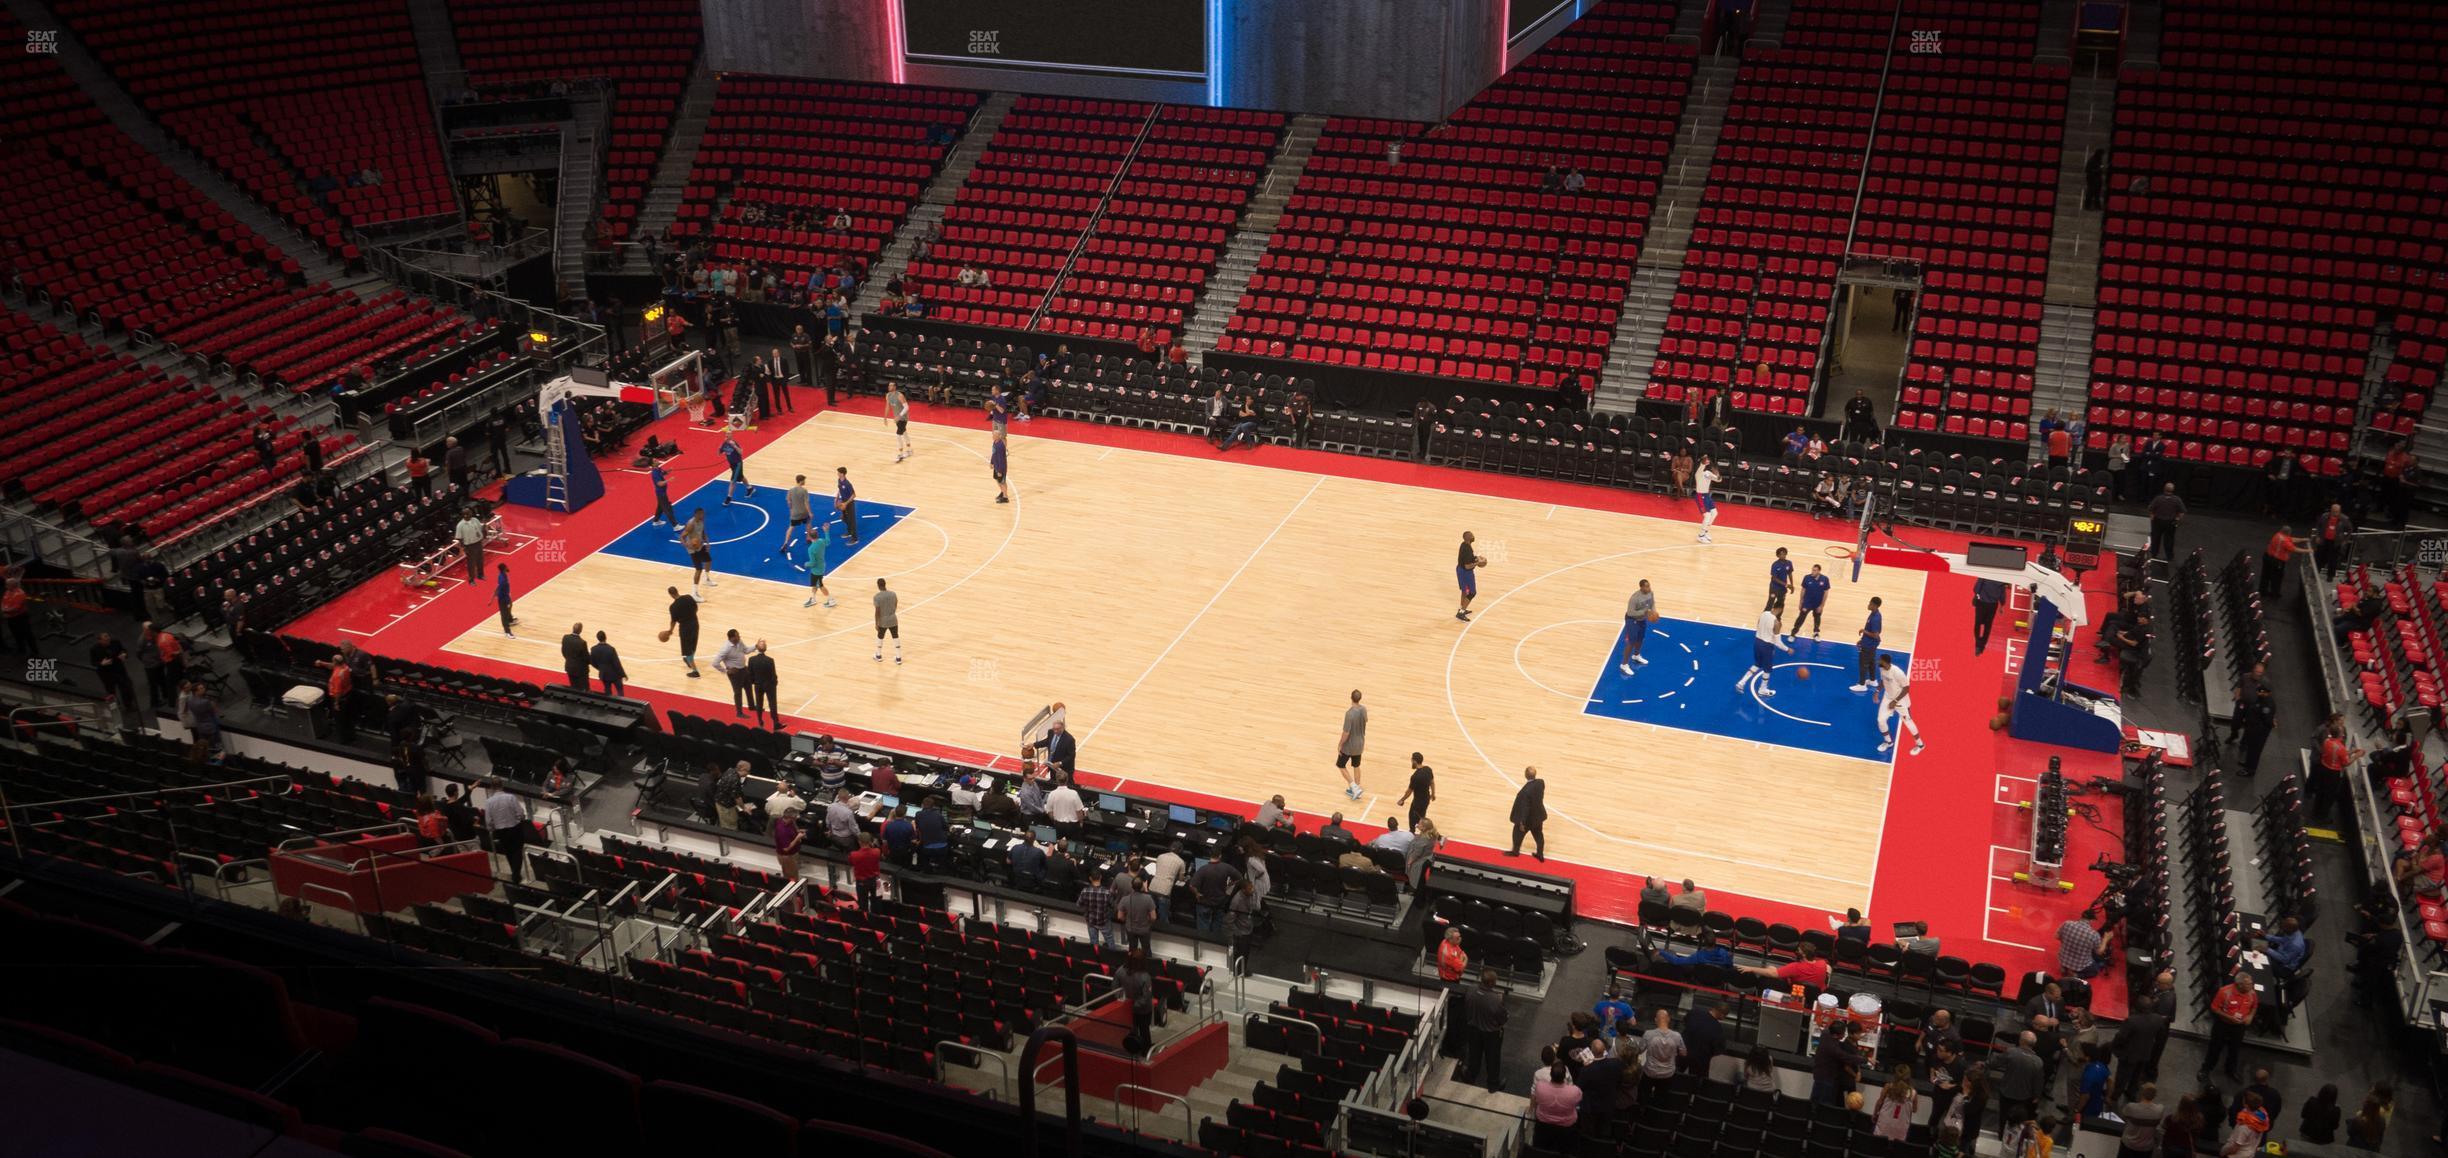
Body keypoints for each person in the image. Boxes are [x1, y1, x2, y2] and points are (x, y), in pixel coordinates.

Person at [2197, 969, 2255, 1080]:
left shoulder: (2252, 993)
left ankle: (2230, 1070)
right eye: (2248, 984)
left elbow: (2254, 1006)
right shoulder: (2224, 992)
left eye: (2251, 983)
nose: (2251, 986)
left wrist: (2250, 1016)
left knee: (2235, 1049)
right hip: (2223, 1024)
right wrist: (2230, 1017)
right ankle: (2206, 1069)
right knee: (2215, 1047)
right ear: (2239, 985)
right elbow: (2214, 1008)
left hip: (2239, 1026)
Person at [1456, 969, 1508, 1090]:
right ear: (1491, 983)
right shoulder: (1495, 999)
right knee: (1492, 1058)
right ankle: (1493, 1083)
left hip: (1473, 1029)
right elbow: (1503, 1018)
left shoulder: (1471, 990)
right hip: (1491, 1034)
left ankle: (1470, 1075)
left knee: (1474, 1054)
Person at [1737, 603, 1793, 697]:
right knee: (1767, 669)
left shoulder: (1763, 614)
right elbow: (1778, 642)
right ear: (1780, 609)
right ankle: (1762, 689)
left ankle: (1741, 683)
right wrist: (1788, 649)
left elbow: (1758, 625)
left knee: (1757, 664)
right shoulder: (1776, 623)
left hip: (1757, 642)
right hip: (1766, 646)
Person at [1529, 1051, 1582, 1150]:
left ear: (1551, 1074)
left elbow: (1534, 1095)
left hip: (1543, 1124)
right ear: (1564, 1076)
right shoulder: (1574, 1091)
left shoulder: (1540, 1087)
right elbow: (1578, 1100)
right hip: (1566, 1128)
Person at [1997, 1030, 2045, 1136]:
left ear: (2021, 1041)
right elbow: (2038, 1081)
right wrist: (2036, 1095)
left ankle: (2002, 1135)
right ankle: (2015, 1137)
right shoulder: (2038, 1061)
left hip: (2006, 1091)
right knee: (2019, 1119)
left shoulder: (2011, 1052)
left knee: (2004, 1116)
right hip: (2024, 1096)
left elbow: (1995, 1062)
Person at [482, 779, 530, 883]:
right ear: (502, 786)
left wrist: (492, 829)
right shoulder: (510, 797)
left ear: (492, 788)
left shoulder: (489, 802)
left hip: (501, 831)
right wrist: (520, 819)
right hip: (514, 828)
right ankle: (516, 874)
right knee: (517, 851)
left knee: (509, 852)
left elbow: (488, 821)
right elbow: (520, 814)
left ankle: (515, 873)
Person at [1809, 1021, 1865, 1106]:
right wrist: (1865, 1060)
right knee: (1825, 1103)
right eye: (1842, 1033)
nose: (1844, 1035)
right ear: (1835, 1035)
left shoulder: (1826, 1034)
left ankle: (1811, 1115)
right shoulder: (1833, 1048)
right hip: (1827, 1077)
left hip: (1819, 1073)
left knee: (1815, 1099)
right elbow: (1847, 1057)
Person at [1117, 946, 1158, 1055]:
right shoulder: (1145, 977)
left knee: (1132, 1028)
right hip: (1143, 1010)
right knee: (1144, 1030)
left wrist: (1125, 1003)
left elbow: (1115, 988)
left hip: (1127, 1007)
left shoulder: (1120, 970)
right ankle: (1146, 1050)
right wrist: (1133, 1005)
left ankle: (1133, 1048)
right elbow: (1146, 997)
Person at [1506, 766, 1547, 860]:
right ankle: (1540, 854)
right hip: (1538, 816)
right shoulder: (1541, 782)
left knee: (1517, 834)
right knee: (1539, 835)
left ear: (1525, 775)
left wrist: (1522, 822)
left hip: (1528, 820)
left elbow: (1525, 808)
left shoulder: (1525, 792)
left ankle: (1515, 852)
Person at [1189, 854, 1237, 935]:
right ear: (1220, 857)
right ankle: (1213, 943)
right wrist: (1228, 886)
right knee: (1216, 927)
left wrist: (1197, 894)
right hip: (1219, 902)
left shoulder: (1203, 869)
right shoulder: (1226, 868)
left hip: (1205, 902)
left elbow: (1191, 885)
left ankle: (1203, 942)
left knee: (1203, 926)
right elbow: (1238, 878)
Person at [663, 585, 702, 678]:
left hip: (685, 628)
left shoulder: (673, 607)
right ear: (677, 591)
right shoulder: (688, 597)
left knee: (687, 650)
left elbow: (673, 621)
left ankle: (695, 671)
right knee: (693, 645)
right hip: (695, 624)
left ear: (671, 595)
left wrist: (670, 631)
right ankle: (689, 660)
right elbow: (696, 608)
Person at [1619, 579, 1657, 673]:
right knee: (1631, 642)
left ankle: (1636, 655)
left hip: (1642, 619)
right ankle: (1624, 665)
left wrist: (1653, 611)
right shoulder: (1635, 598)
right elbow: (1630, 613)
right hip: (1632, 620)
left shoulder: (1650, 593)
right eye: (1646, 586)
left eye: (1649, 586)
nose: (1649, 588)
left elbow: (1652, 604)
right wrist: (1644, 612)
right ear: (1641, 587)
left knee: (1640, 638)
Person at [1146, 840, 1186, 925]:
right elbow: (1181, 879)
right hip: (1164, 890)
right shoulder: (1181, 862)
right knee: (1163, 916)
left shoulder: (1160, 856)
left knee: (1149, 913)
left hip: (1153, 887)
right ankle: (1162, 935)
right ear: (1180, 850)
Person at [1336, 689, 1367, 800]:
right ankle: (1357, 788)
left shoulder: (1349, 714)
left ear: (1351, 698)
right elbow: (1365, 721)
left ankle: (1354, 787)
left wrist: (1340, 744)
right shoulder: (1364, 709)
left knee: (1340, 765)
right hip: (1360, 743)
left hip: (1350, 745)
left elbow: (1346, 732)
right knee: (1356, 765)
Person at [1872, 1066, 1917, 1141]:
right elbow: (1914, 1110)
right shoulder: (1913, 1092)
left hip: (1883, 1127)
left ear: (1895, 1076)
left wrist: (1874, 1114)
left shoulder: (1888, 1087)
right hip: (1900, 1130)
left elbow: (1879, 1103)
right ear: (1909, 1077)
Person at [1849, 596, 1884, 692]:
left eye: (1870, 604)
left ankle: (1862, 685)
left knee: (1863, 664)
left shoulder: (1875, 618)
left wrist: (1864, 631)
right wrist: (1862, 640)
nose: (1868, 605)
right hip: (1869, 643)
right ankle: (1873, 680)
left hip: (1869, 645)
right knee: (1871, 662)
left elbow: (1876, 635)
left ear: (1875, 605)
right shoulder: (1874, 614)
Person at [2056, 914, 2108, 979]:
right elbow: (2099, 952)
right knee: (2097, 968)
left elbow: (2057, 936)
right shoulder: (2094, 935)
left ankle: (2064, 967)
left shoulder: (2067, 923)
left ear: (2081, 917)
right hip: (2079, 964)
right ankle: (2076, 975)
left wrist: (2067, 942)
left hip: (2063, 958)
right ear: (2091, 920)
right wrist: (2106, 939)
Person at [1225, 876, 1260, 968]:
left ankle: (1243, 970)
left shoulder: (1250, 895)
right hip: (1241, 933)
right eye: (1250, 888)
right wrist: (1238, 933)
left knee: (1246, 953)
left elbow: (1256, 908)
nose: (1252, 890)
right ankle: (1238, 971)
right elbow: (1229, 921)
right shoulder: (1236, 901)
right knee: (1240, 954)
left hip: (1248, 928)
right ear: (1243, 890)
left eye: (1252, 887)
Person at [2222, 1091, 2269, 1158]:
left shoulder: (2244, 1126)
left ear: (2246, 1105)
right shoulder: (2262, 1121)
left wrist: (2223, 1151)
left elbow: (2235, 1146)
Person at [2146, 483, 2185, 562]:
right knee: (2169, 540)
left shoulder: (2158, 498)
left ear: (2164, 489)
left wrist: (2152, 517)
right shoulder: (2177, 499)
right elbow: (2182, 511)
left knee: (2156, 538)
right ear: (2173, 490)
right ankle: (2169, 556)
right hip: (2170, 522)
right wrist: (2177, 520)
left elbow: (2150, 508)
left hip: (2158, 522)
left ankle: (2154, 554)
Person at [1117, 876, 1158, 951]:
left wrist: (1127, 920)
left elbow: (1120, 916)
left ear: (1132, 887)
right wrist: (1148, 923)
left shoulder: (1125, 899)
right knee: (1146, 950)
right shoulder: (1148, 899)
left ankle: (1132, 962)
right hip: (1144, 929)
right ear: (1142, 886)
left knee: (1132, 950)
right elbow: (1153, 917)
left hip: (1130, 929)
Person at [2311, 502, 2352, 577]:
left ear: (2339, 511)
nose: (2334, 513)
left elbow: (2349, 530)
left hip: (2335, 543)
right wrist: (2317, 536)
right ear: (2331, 510)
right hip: (2324, 540)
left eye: (2336, 511)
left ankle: (2330, 576)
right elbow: (2318, 526)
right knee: (2319, 558)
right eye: (2333, 511)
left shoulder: (2344, 519)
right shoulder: (2324, 516)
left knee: (2333, 560)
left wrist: (2345, 540)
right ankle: (2315, 573)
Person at [748, 640, 781, 729]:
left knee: (759, 704)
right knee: (772, 704)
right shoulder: (770, 660)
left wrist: (754, 682)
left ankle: (760, 721)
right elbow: (773, 675)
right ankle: (775, 723)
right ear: (765, 649)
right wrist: (774, 683)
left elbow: (750, 674)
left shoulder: (751, 660)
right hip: (769, 685)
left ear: (757, 648)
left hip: (758, 685)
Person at [1399, 752, 1435, 830]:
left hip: (1417, 803)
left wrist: (1402, 800)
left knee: (1414, 822)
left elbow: (1409, 792)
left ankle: (1435, 836)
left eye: (1412, 760)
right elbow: (1432, 782)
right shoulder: (1428, 769)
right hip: (1426, 800)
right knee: (1422, 818)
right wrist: (1433, 794)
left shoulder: (1415, 777)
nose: (1411, 762)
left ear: (1415, 761)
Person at [1454, 530, 1484, 622]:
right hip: (1465, 573)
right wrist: (1478, 562)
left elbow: (1467, 559)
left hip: (1461, 570)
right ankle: (1461, 613)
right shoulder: (1467, 549)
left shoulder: (1464, 544)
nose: (1473, 536)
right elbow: (1467, 566)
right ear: (1468, 538)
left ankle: (1462, 608)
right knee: (1472, 593)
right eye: (1471, 535)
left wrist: (1475, 558)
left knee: (1464, 591)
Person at [872, 577, 901, 663]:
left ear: (878, 586)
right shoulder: (893, 594)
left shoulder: (877, 597)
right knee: (895, 636)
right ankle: (898, 657)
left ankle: (878, 655)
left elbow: (877, 611)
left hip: (883, 621)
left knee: (880, 637)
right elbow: (896, 603)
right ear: (885, 584)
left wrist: (876, 623)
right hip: (893, 618)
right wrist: (891, 612)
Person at [1693, 455, 1721, 542]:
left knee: (1714, 513)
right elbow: (1702, 465)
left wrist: (1718, 474)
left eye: (1708, 460)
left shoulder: (1708, 473)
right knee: (1707, 515)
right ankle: (1701, 536)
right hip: (1700, 496)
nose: (1707, 461)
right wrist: (1703, 461)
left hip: (1707, 496)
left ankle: (1705, 532)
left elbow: (1719, 480)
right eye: (1706, 461)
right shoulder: (1698, 473)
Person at [834, 466, 860, 544]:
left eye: (838, 472)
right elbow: (839, 489)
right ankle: (849, 531)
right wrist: (836, 499)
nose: (837, 474)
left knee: (852, 521)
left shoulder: (847, 484)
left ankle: (855, 539)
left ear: (842, 474)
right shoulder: (839, 480)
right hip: (843, 502)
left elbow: (853, 495)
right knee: (843, 518)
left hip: (849, 503)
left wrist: (846, 503)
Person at [559, 623, 590, 689]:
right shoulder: (582, 643)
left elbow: (563, 651)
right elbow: (586, 658)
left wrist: (569, 659)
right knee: (585, 689)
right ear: (581, 630)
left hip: (569, 667)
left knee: (573, 687)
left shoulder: (565, 637)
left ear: (573, 628)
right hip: (580, 670)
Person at [493, 564, 515, 636]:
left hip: (506, 595)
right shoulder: (502, 578)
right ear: (504, 568)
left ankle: (510, 619)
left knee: (510, 605)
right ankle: (507, 631)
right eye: (506, 567)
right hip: (503, 598)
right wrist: (493, 597)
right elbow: (499, 587)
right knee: (504, 614)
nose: (508, 567)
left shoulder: (504, 575)